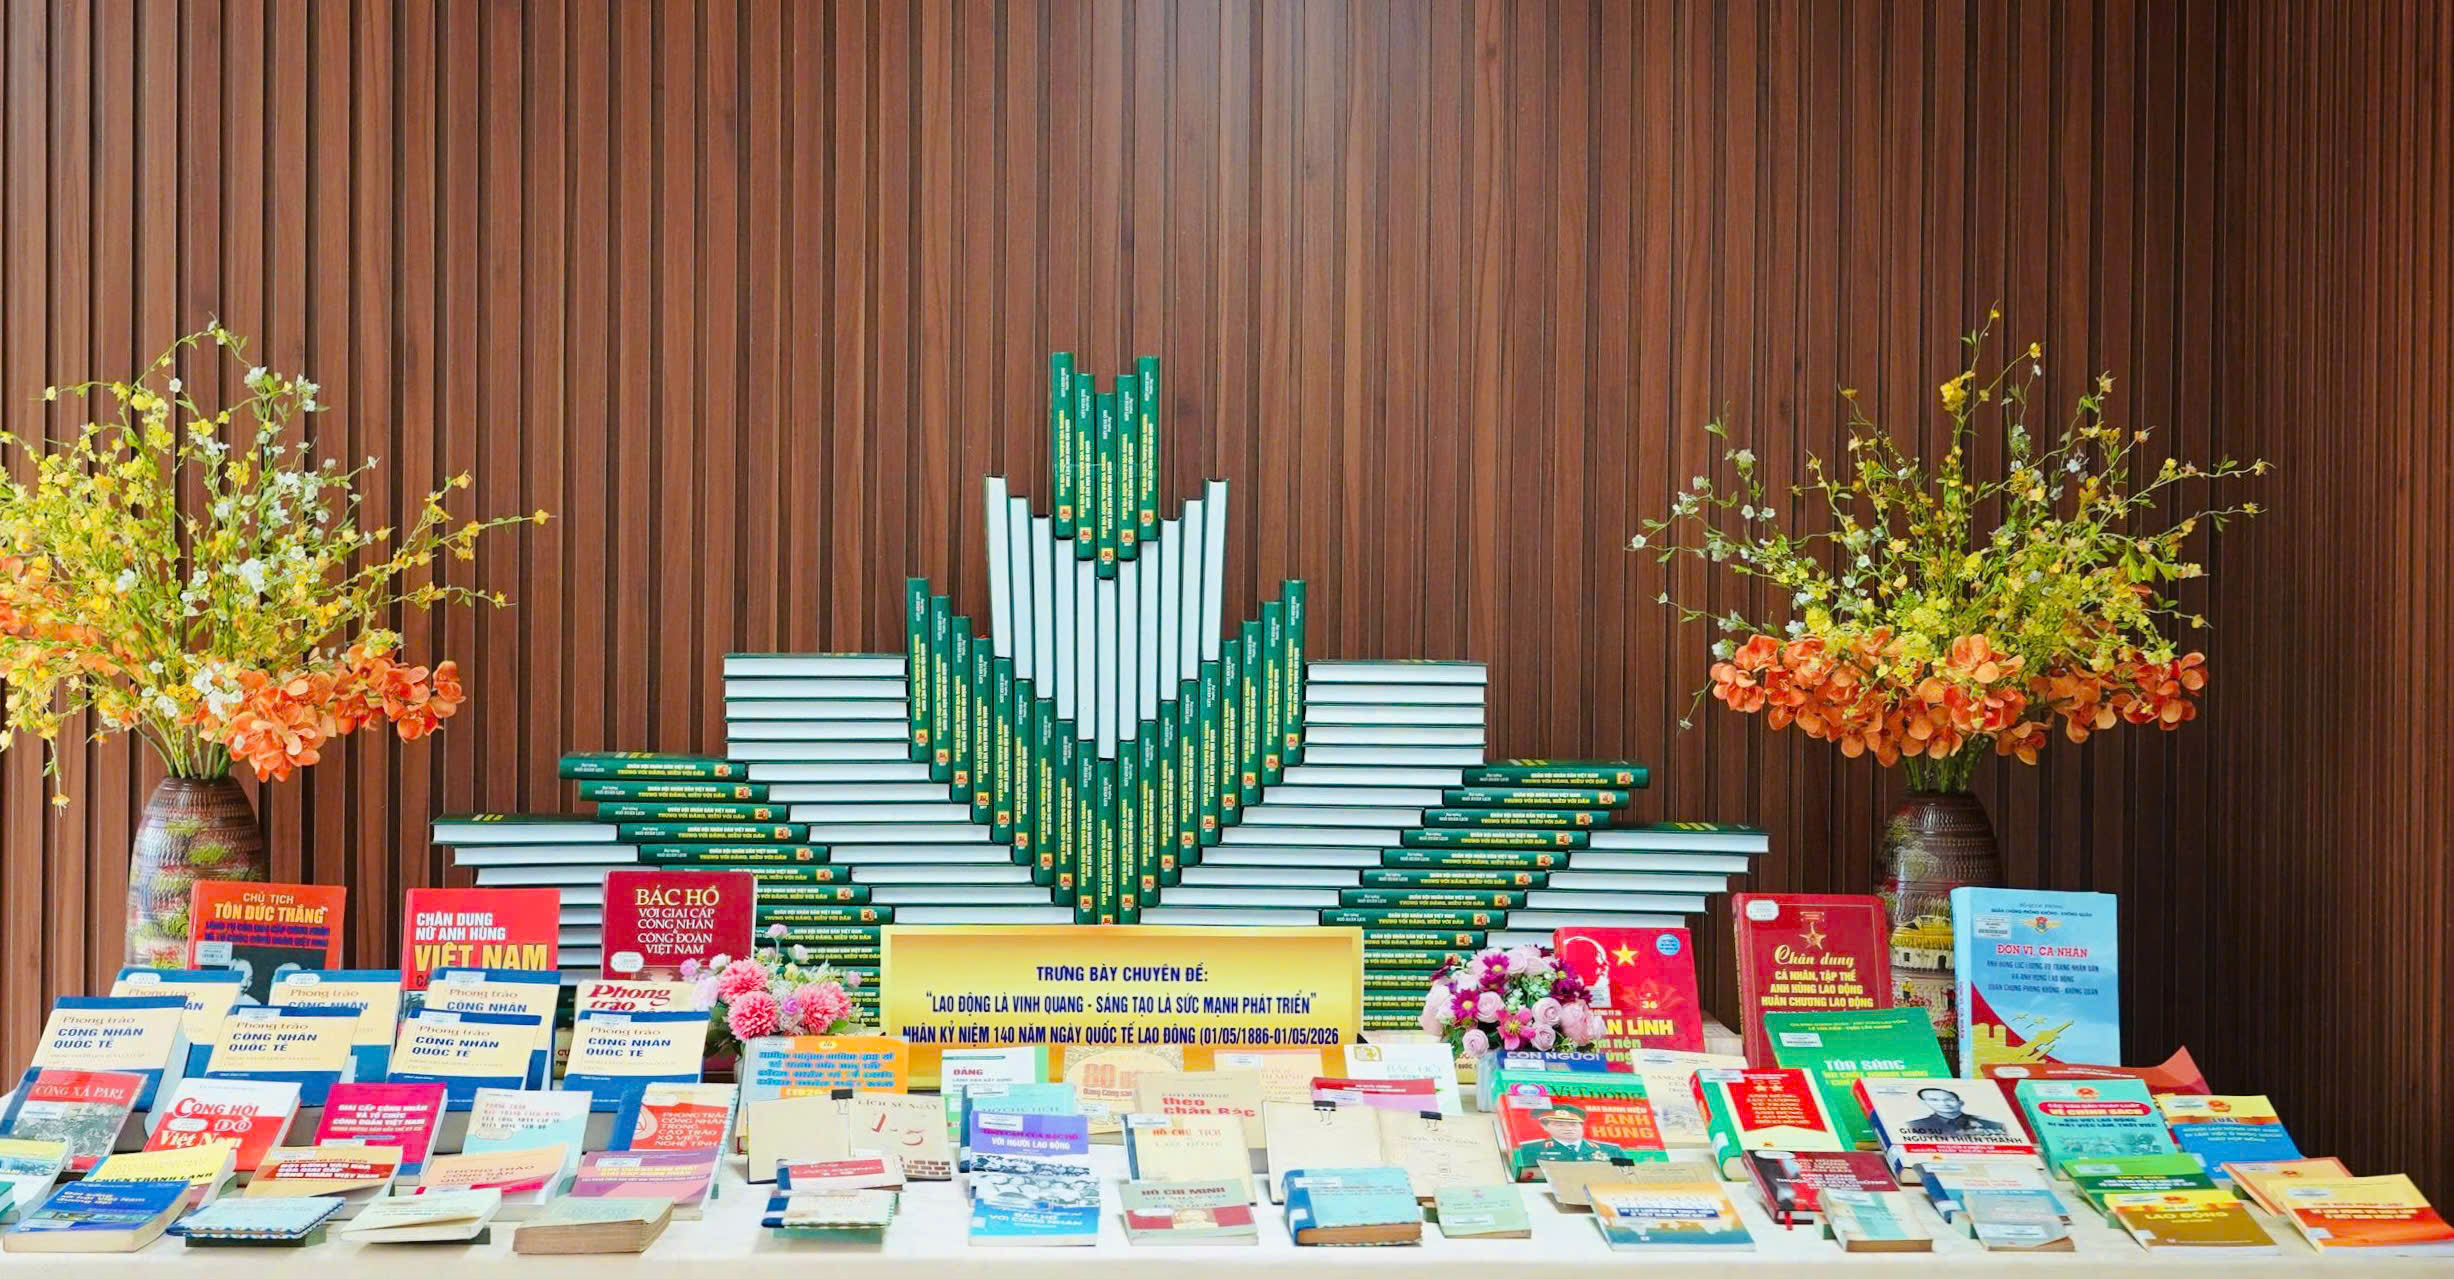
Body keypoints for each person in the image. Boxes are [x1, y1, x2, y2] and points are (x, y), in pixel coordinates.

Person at [1514, 1103, 1627, 1162]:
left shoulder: (1612, 1150)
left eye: (1574, 1125)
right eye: (1559, 1125)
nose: (1568, 1129)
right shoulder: (1530, 1149)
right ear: (1545, 1127)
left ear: (1581, 1126)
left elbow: (1629, 1172)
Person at [1901, 1085, 2010, 1139]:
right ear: (1925, 1103)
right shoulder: (1913, 1126)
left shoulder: (1993, 1125)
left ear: (1960, 1102)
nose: (1944, 1104)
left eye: (1949, 1100)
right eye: (1934, 1100)